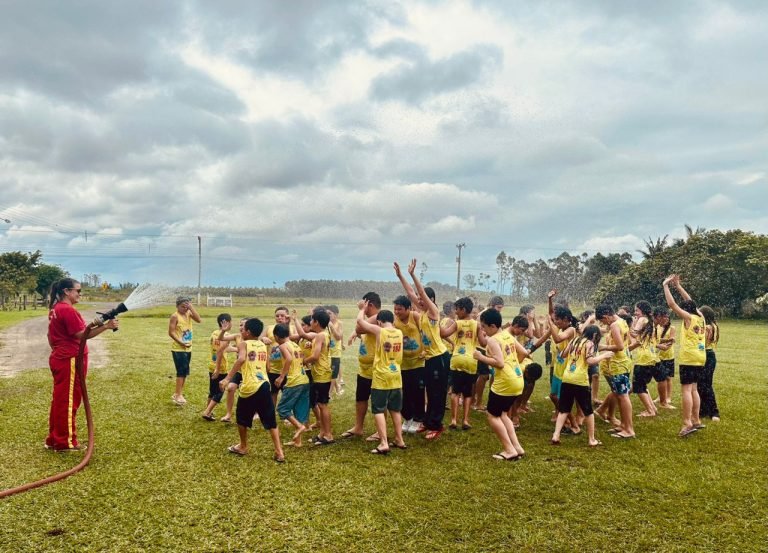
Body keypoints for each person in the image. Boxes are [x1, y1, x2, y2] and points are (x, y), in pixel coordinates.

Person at [46, 278, 119, 451]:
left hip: (61, 357)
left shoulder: (55, 309)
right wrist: (107, 326)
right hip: (71, 359)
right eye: (78, 291)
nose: (80, 294)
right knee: (69, 400)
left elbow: (51, 336)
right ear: (66, 291)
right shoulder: (67, 310)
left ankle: (54, 439)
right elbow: (82, 335)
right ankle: (65, 442)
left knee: (60, 399)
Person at [396, 259, 451, 440]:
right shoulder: (422, 314)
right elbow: (411, 293)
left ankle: (436, 425)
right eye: (418, 300)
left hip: (439, 358)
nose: (419, 301)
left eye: (422, 299)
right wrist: (401, 276)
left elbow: (418, 292)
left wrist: (413, 275)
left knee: (437, 393)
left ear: (430, 300)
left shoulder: (434, 312)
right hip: (429, 358)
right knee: (430, 390)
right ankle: (428, 422)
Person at [219, 318, 284, 462]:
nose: (242, 331)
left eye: (243, 329)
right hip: (264, 384)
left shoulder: (243, 343)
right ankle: (279, 451)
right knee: (270, 420)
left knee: (241, 418)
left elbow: (241, 359)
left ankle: (243, 446)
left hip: (250, 387)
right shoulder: (262, 344)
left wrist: (227, 378)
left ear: (247, 332)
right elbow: (267, 367)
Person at [473, 308, 528, 461]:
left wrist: (480, 357)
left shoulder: (493, 340)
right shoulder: (506, 334)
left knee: (492, 416)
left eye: (483, 327)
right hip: (517, 379)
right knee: (503, 414)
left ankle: (509, 450)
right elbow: (524, 352)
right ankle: (517, 447)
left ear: (492, 326)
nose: (482, 330)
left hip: (505, 382)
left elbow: (499, 363)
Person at [356, 301, 407, 454]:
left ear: (379, 321)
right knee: (395, 410)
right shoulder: (399, 333)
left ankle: (384, 442)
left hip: (381, 377)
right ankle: (399, 439)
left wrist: (362, 309)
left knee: (378, 410)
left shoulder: (379, 331)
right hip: (396, 376)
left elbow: (360, 322)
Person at [551, 325, 613, 447]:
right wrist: (604, 355)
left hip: (567, 378)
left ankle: (556, 435)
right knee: (588, 411)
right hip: (580, 380)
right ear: (595, 335)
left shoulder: (574, 340)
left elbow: (562, 354)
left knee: (564, 409)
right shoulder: (589, 343)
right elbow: (590, 361)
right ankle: (591, 439)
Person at [663, 274, 706, 437]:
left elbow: (671, 304)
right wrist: (679, 286)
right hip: (700, 357)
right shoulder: (700, 317)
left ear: (685, 310)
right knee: (694, 388)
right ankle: (696, 420)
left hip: (689, 358)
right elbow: (690, 301)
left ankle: (687, 422)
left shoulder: (688, 318)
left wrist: (666, 286)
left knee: (686, 390)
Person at [342, 292, 381, 440]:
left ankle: (380, 432)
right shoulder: (370, 319)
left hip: (375, 369)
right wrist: (353, 333)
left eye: (364, 304)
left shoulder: (379, 317)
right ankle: (358, 427)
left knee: (378, 402)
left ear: (369, 304)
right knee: (361, 398)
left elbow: (359, 327)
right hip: (364, 369)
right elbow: (360, 330)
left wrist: (360, 311)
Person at [441, 297, 484, 430]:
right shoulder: (476, 324)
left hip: (458, 358)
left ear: (464, 310)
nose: (456, 312)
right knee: (467, 393)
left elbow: (444, 334)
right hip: (471, 360)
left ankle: (454, 420)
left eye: (457, 309)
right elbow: (482, 343)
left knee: (455, 392)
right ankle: (465, 420)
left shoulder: (457, 323)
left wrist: (435, 323)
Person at [294, 308, 335, 445]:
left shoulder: (320, 336)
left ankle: (328, 435)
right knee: (320, 403)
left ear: (316, 322)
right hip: (321, 373)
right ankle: (322, 433)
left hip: (321, 373)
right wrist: (294, 319)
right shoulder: (323, 334)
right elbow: (302, 334)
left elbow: (315, 356)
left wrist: (303, 361)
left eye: (311, 319)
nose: (310, 321)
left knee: (323, 405)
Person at [595, 304, 636, 439]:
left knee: (623, 396)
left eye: (602, 320)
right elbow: (627, 342)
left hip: (618, 364)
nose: (603, 323)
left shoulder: (614, 325)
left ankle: (629, 429)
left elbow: (619, 346)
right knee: (619, 394)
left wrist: (603, 347)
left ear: (606, 315)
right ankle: (623, 425)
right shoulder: (622, 321)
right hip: (622, 363)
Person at [393, 294, 426, 433]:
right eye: (395, 309)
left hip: (418, 362)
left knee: (418, 391)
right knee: (405, 392)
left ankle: (419, 419)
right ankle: (408, 418)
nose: (397, 312)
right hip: (403, 363)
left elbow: (425, 333)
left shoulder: (415, 317)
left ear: (408, 308)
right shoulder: (395, 321)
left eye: (399, 309)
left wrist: (426, 349)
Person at [273, 323, 310, 447]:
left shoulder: (283, 345)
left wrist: (281, 376)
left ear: (277, 336)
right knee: (299, 410)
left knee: (282, 409)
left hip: (294, 381)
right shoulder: (295, 345)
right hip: (304, 379)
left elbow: (288, 359)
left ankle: (299, 427)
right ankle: (298, 441)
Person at [201, 313, 237, 421]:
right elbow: (220, 352)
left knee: (212, 391)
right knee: (220, 392)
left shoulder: (214, 333)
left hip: (211, 365)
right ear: (226, 322)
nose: (232, 324)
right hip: (220, 367)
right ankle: (207, 412)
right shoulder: (226, 335)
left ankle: (208, 411)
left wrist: (236, 349)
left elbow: (224, 348)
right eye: (231, 321)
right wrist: (218, 369)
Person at [168, 296, 201, 405]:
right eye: (183, 307)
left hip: (187, 348)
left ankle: (178, 393)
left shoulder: (189, 313)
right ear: (177, 306)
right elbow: (171, 332)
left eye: (186, 306)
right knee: (181, 372)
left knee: (185, 372)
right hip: (178, 349)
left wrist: (191, 308)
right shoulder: (174, 316)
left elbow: (199, 320)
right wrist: (180, 342)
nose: (185, 309)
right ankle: (178, 395)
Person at [473, 296, 504, 411]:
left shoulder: (493, 314)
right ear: (492, 305)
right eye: (498, 307)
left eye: (501, 308)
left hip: (489, 347)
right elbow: (481, 335)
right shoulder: (483, 315)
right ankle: (477, 402)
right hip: (480, 347)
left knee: (491, 375)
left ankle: (485, 401)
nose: (500, 310)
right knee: (483, 375)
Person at [629, 301, 658, 418]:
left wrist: (631, 324)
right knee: (642, 384)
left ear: (642, 310)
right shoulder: (649, 321)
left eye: (637, 310)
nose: (635, 313)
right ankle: (653, 408)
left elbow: (633, 334)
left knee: (639, 387)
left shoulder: (642, 320)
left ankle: (650, 411)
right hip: (651, 356)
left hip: (643, 358)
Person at [699, 306, 721, 421]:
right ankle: (703, 410)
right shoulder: (714, 326)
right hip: (710, 355)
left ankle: (714, 411)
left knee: (705, 385)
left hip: (706, 355)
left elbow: (703, 342)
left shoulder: (707, 327)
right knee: (703, 384)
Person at [653, 306, 676, 409]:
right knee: (661, 378)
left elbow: (671, 340)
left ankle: (668, 397)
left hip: (668, 356)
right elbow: (656, 340)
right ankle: (660, 396)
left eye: (667, 317)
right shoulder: (657, 326)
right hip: (659, 356)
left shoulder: (672, 328)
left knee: (668, 377)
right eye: (664, 317)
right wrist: (664, 341)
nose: (666, 319)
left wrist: (666, 342)